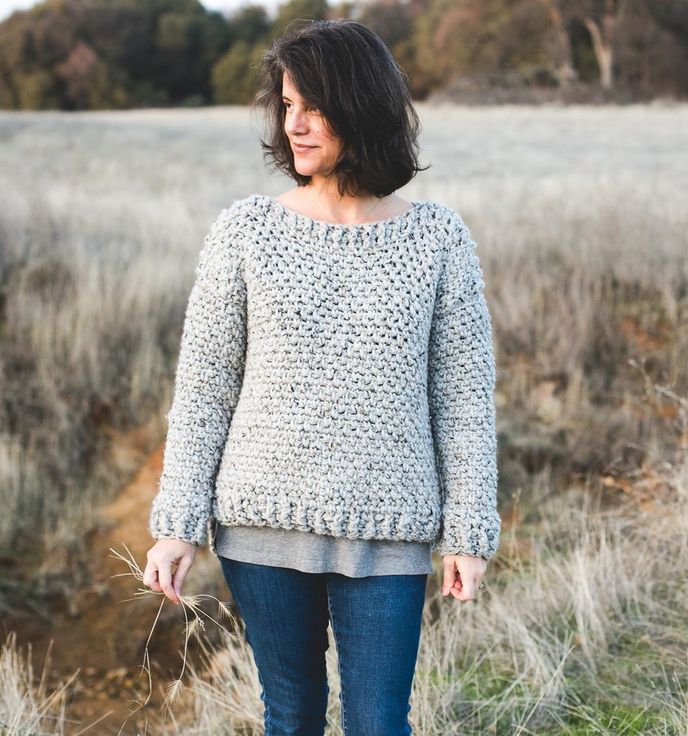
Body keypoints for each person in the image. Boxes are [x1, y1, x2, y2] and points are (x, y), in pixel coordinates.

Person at [143, 18, 501, 736]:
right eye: (286, 104)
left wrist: (468, 530)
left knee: (378, 722)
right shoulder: (246, 231)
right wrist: (177, 524)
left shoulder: (438, 239)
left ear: (363, 107)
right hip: (261, 525)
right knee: (294, 714)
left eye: (313, 105)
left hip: (390, 525)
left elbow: (463, 399)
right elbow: (206, 388)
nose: (294, 123)